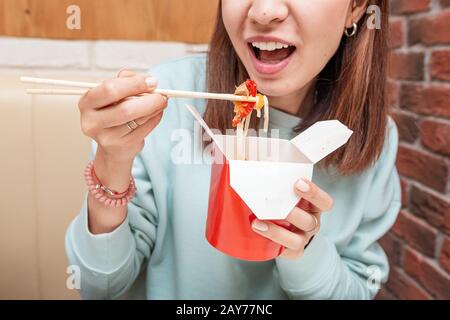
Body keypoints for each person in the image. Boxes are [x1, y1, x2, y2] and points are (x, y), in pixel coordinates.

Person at [65, 0, 401, 299]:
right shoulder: (167, 100)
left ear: (357, 7)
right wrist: (112, 162)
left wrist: (305, 249)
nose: (264, 11)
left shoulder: (374, 137)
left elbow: (360, 289)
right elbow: (99, 287)